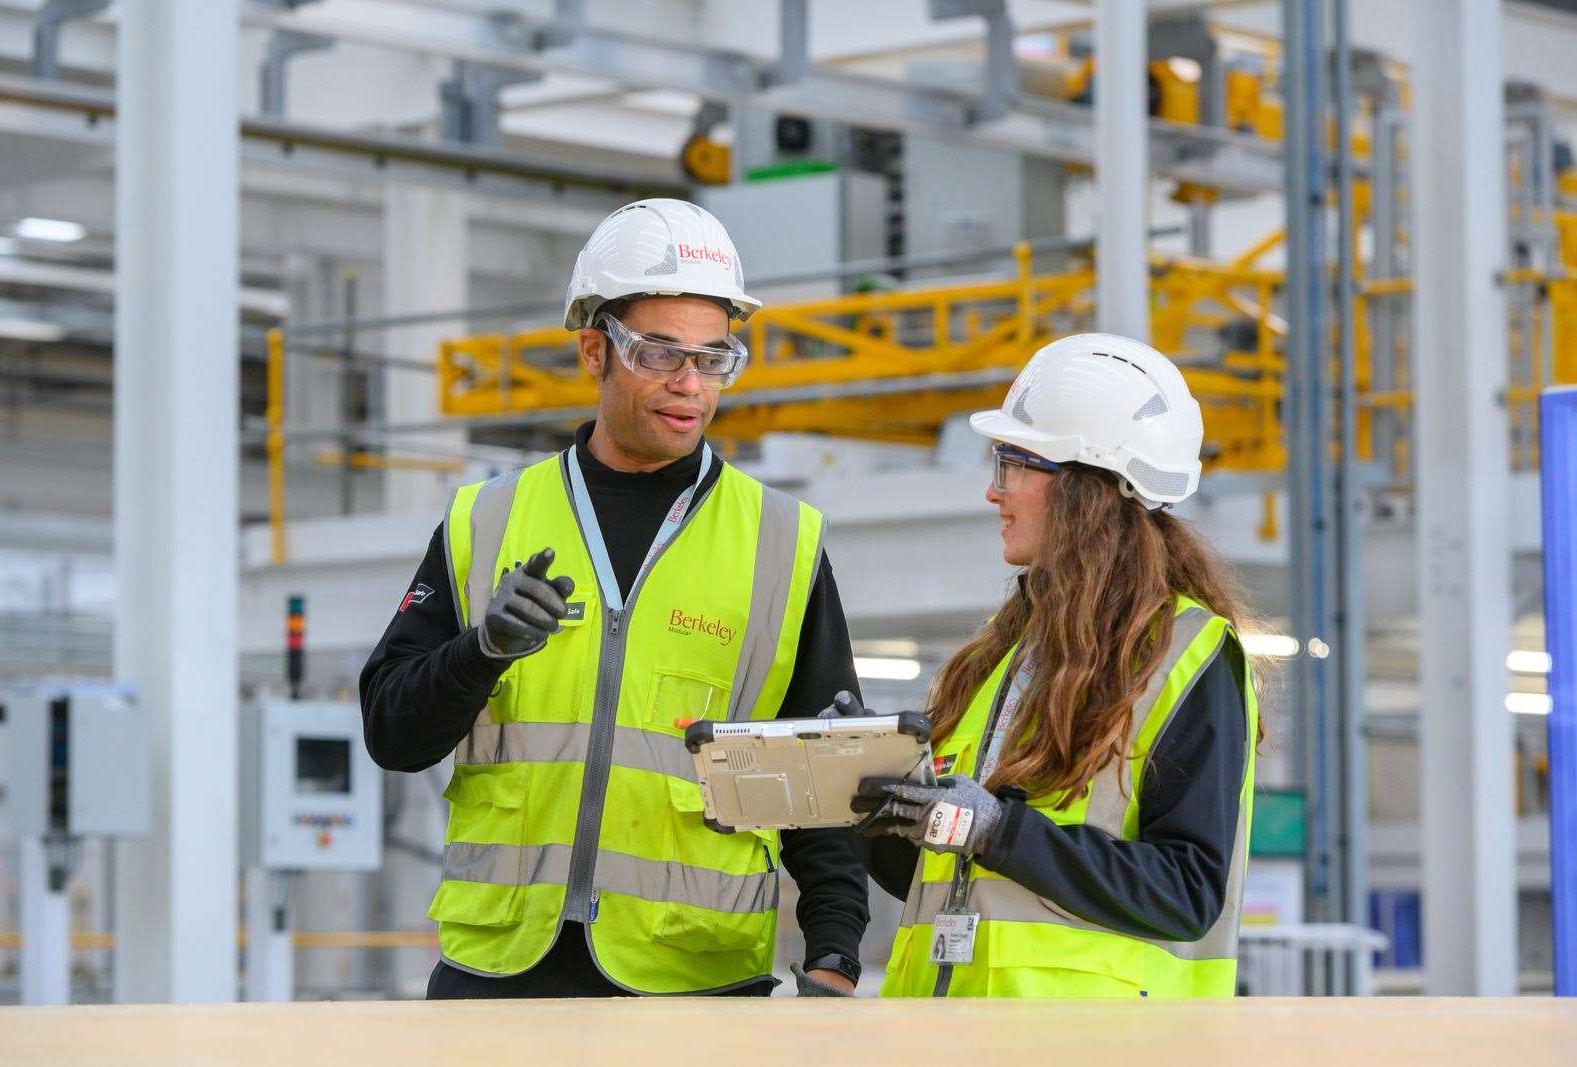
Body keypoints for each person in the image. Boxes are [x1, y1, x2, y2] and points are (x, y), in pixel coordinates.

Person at [361, 199, 867, 999]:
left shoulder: (782, 543)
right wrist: (478, 653)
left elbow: (820, 774)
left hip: (696, 983)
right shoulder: (485, 520)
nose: (690, 385)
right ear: (595, 350)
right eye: (660, 354)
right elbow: (392, 733)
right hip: (500, 977)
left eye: (713, 359)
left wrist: (836, 956)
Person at [842, 332, 1261, 998]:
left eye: (1011, 464)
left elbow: (1187, 890)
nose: (991, 491)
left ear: (1083, 487)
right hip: (945, 1037)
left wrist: (1002, 829)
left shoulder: (1190, 655)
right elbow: (937, 877)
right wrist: (875, 793)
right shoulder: (1003, 652)